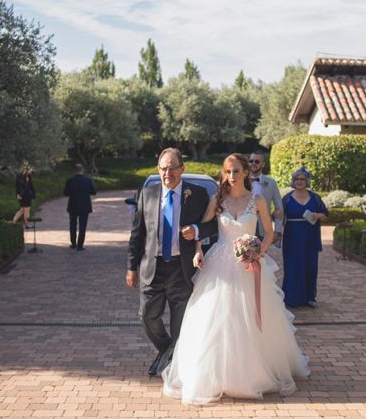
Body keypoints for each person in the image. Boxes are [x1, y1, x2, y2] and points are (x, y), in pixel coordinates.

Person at [162, 153, 310, 405]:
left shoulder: (258, 200)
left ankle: (254, 372)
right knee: (217, 319)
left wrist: (258, 253)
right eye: (228, 171)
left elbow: (270, 232)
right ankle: (216, 374)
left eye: (236, 171)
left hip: (250, 265)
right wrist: (198, 251)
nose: (231, 176)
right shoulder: (217, 199)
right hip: (219, 264)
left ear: (245, 173)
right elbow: (203, 228)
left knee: (250, 319)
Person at [126, 148, 218, 377]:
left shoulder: (196, 194)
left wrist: (196, 229)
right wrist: (131, 266)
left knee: (180, 322)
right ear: (158, 170)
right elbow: (137, 233)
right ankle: (168, 352)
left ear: (182, 169)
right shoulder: (147, 193)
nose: (168, 173)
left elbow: (214, 225)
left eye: (173, 168)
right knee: (147, 315)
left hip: (181, 268)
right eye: (163, 168)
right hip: (152, 267)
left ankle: (173, 364)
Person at [281, 167, 329, 308]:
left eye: (302, 179)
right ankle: (291, 297)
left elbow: (326, 214)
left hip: (310, 236)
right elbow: (278, 216)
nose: (299, 182)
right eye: (297, 179)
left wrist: (318, 215)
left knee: (310, 265)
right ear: (293, 181)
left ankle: (309, 297)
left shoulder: (315, 198)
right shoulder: (287, 199)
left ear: (307, 181)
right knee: (292, 265)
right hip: (292, 236)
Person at [248, 151, 283, 244]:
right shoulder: (241, 180)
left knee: (261, 256)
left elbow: (279, 209)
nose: (253, 164)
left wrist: (277, 230)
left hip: (262, 227)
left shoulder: (271, 183)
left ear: (263, 164)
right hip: (244, 226)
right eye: (251, 161)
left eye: (257, 162)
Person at [64, 163, 97, 251]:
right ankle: (80, 245)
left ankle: (73, 243)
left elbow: (65, 193)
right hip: (84, 206)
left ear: (74, 171)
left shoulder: (70, 181)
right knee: (83, 226)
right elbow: (94, 192)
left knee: (72, 224)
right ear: (82, 170)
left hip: (73, 205)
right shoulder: (88, 180)